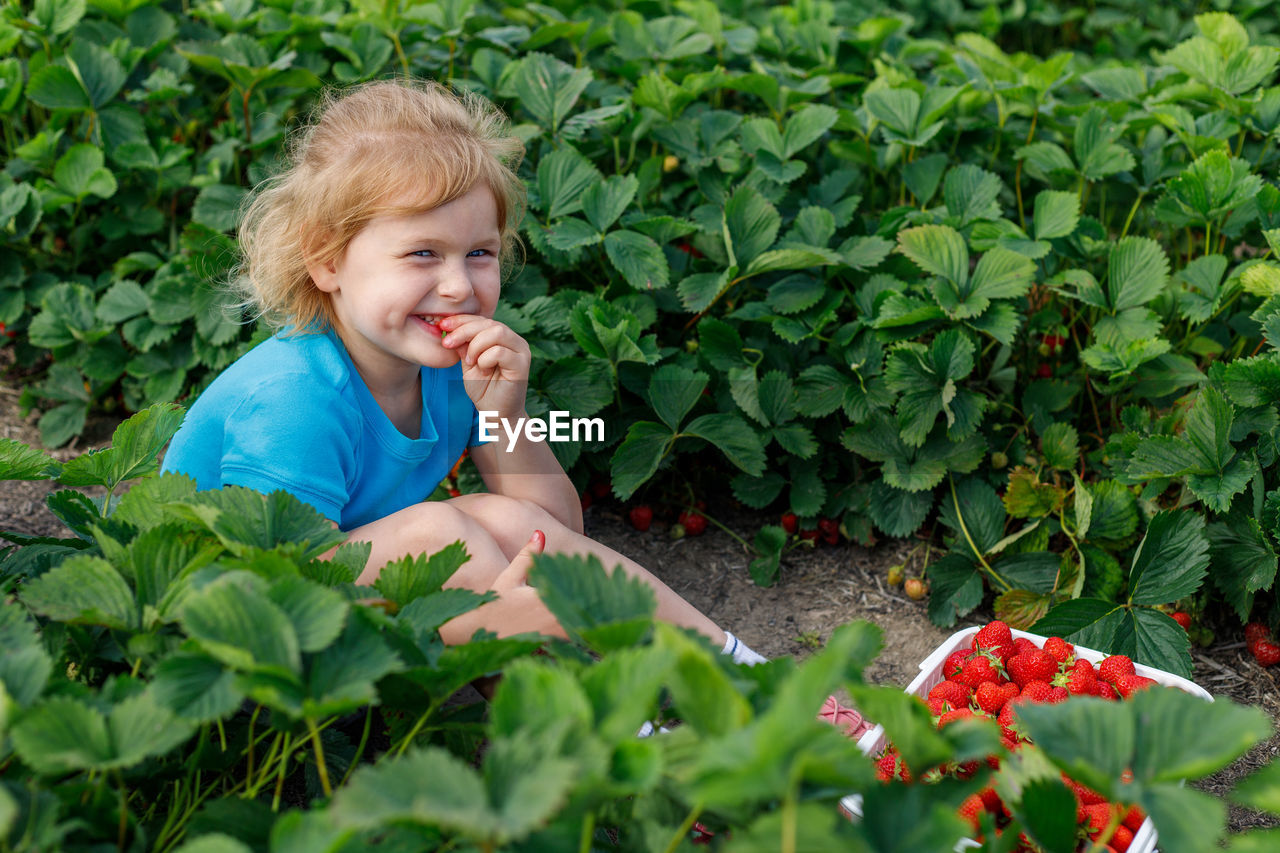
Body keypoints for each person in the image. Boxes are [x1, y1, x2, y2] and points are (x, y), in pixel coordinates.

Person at [161, 78, 766, 666]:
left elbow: (553, 532)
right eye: (422, 252)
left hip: (342, 612)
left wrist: (504, 415)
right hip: (219, 640)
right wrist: (487, 614)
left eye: (480, 253)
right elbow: (277, 585)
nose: (458, 287)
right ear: (326, 260)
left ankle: (742, 671)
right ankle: (588, 728)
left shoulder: (452, 369)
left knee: (497, 520)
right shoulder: (292, 399)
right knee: (437, 534)